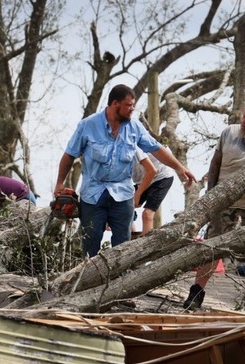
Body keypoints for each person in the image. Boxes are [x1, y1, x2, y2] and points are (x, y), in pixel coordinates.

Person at [54, 84, 196, 257]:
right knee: (91, 243)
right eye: (129, 105)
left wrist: (181, 168)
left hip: (122, 194)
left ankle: (119, 281)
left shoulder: (134, 127)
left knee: (122, 246)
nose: (132, 109)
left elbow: (157, 149)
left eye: (133, 105)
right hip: (93, 194)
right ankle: (88, 281)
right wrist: (60, 183)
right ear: (115, 104)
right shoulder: (87, 125)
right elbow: (69, 155)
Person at [183, 99, 245, 312]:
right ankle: (196, 293)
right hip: (225, 204)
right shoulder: (229, 133)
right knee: (212, 250)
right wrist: (211, 195)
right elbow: (215, 162)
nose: (244, 121)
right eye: (244, 116)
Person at [132, 148, 175, 235]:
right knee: (123, 207)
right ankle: (130, 236)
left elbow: (152, 171)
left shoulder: (135, 149)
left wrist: (138, 194)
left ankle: (147, 245)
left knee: (147, 214)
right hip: (142, 179)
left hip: (161, 177)